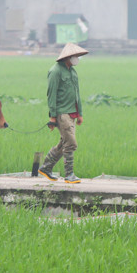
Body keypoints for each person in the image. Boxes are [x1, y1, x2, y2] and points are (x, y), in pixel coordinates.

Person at [38, 42, 88, 183]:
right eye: (75, 56)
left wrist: (80, 113)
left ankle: (46, 168)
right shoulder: (55, 71)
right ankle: (69, 174)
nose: (77, 59)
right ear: (67, 57)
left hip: (72, 113)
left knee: (64, 142)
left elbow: (77, 94)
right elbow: (51, 95)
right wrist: (53, 117)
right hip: (61, 113)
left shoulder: (72, 71)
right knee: (71, 143)